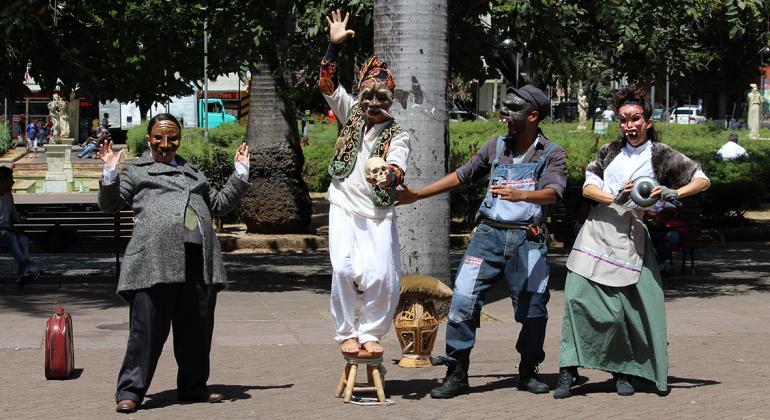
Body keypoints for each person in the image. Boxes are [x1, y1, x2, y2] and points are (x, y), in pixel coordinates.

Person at [398, 84, 567, 398]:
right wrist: (417, 194)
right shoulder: (496, 146)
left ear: (533, 115)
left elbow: (554, 192)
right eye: (505, 106)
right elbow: (463, 174)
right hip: (487, 237)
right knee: (462, 301)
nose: (505, 113)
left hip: (527, 242)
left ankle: (528, 371)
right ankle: (457, 374)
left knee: (534, 310)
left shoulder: (552, 153)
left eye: (513, 108)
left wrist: (523, 195)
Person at [554, 85, 710, 399]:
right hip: (597, 233)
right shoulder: (608, 151)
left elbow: (702, 179)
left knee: (628, 310)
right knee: (575, 301)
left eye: (636, 118)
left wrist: (672, 193)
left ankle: (624, 370)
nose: (630, 125)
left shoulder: (662, 155)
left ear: (648, 121)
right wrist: (616, 196)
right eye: (624, 119)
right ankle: (568, 371)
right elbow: (588, 188)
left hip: (631, 239)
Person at [98, 113, 251, 414]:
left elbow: (219, 204)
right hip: (153, 261)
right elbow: (110, 205)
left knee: (196, 330)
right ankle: (130, 390)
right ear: (149, 139)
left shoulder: (193, 173)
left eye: (173, 138)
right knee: (146, 331)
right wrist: (110, 173)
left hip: (197, 260)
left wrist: (240, 173)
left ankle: (193, 387)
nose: (166, 145)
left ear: (180, 139)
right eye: (159, 138)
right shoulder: (137, 170)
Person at [318, 10, 410, 356]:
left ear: (391, 99)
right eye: (367, 97)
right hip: (343, 201)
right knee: (342, 268)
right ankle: (346, 333)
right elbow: (327, 84)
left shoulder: (398, 133)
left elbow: (398, 166)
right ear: (360, 96)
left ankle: (371, 331)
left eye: (380, 98)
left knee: (383, 277)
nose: (372, 103)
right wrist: (332, 47)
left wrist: (390, 173)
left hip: (378, 210)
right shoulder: (350, 113)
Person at [0, 167, 43, 286]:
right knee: (11, 238)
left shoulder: (8, 196)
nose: (13, 182)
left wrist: (21, 219)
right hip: (3, 232)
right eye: (10, 179)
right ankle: (29, 267)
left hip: (6, 231)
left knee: (23, 239)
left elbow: (13, 213)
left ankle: (23, 272)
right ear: (2, 181)